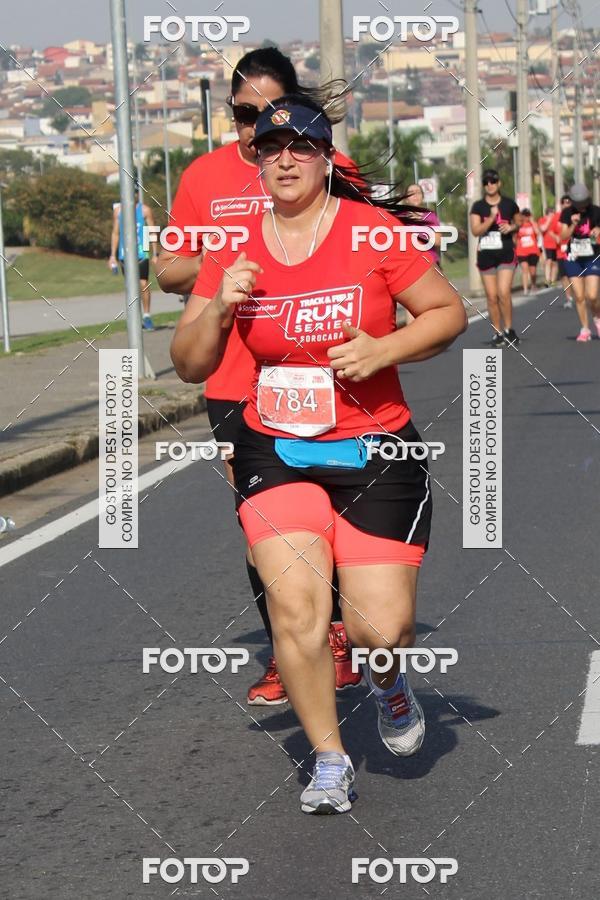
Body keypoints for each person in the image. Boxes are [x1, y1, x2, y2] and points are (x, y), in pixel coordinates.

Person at [171, 95, 467, 814]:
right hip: (277, 450)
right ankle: (329, 759)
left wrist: (383, 348)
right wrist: (217, 306)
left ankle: (389, 681)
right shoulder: (235, 246)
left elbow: (448, 312)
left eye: (300, 146)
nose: (283, 158)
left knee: (379, 631)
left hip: (374, 448)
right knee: (297, 612)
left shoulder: (371, 233)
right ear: (256, 158)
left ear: (327, 156)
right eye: (269, 147)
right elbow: (186, 362)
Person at [157, 48, 361, 705]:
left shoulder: (327, 167)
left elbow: (371, 245)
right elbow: (168, 269)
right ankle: (294, 643)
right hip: (235, 382)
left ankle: (343, 627)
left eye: (266, 114)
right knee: (262, 524)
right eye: (241, 116)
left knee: (327, 516)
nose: (253, 130)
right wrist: (224, 257)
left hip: (320, 374)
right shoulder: (203, 177)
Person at [470, 169, 521, 348]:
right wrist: (491, 219)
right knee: (491, 297)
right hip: (486, 255)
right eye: (486, 182)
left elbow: (519, 221)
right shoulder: (478, 206)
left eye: (493, 181)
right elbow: (475, 230)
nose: (490, 184)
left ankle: (509, 329)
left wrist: (511, 227)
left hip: (506, 253)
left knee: (503, 292)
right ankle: (497, 332)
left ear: (499, 183)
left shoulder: (509, 204)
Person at [109, 191, 157, 330]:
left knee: (143, 284)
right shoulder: (118, 211)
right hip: (125, 254)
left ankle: (147, 315)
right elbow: (115, 233)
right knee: (131, 286)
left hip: (141, 252)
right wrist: (112, 255)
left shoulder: (144, 210)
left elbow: (152, 231)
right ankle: (135, 317)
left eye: (134, 192)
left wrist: (155, 253)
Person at [559, 183, 600, 342]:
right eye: (579, 203)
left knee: (592, 295)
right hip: (573, 258)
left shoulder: (596, 211)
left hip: (592, 257)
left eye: (584, 202)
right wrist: (573, 224)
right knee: (579, 296)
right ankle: (585, 329)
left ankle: (597, 316)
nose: (582, 206)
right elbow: (563, 235)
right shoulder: (567, 213)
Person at [515, 209, 541, 294]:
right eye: (524, 215)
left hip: (533, 251)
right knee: (524, 269)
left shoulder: (533, 224)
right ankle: (525, 289)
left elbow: (538, 232)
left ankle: (533, 284)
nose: (526, 217)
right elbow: (514, 237)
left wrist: (533, 222)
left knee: (532, 271)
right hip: (521, 251)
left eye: (528, 215)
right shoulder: (519, 225)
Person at [555, 195, 574, 308]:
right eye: (564, 202)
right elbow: (550, 230)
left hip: (574, 251)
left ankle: (579, 296)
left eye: (568, 202)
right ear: (561, 204)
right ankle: (569, 298)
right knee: (564, 277)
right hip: (560, 252)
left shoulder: (575, 216)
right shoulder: (556, 217)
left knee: (575, 276)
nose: (566, 204)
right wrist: (556, 237)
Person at [538, 206, 559, 286]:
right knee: (548, 261)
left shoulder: (556, 220)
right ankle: (547, 279)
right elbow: (543, 229)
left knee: (555, 262)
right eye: (551, 213)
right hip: (548, 244)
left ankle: (553, 280)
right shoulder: (542, 220)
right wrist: (549, 220)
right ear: (548, 214)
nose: (553, 215)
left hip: (556, 243)